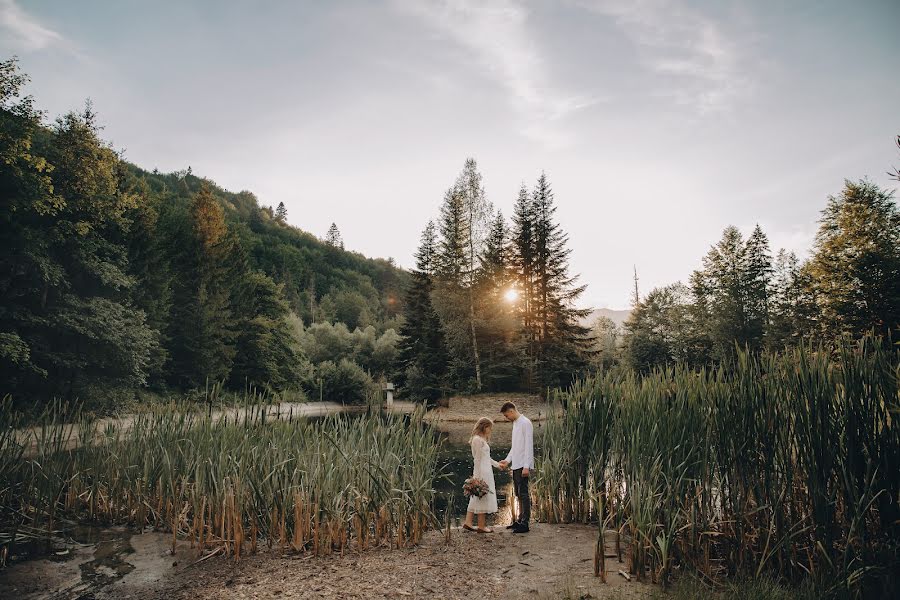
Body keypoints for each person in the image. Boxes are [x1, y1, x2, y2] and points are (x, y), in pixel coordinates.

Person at [498, 401, 533, 533]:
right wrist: (507, 460)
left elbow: (528, 446)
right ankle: (519, 520)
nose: (507, 418)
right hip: (516, 465)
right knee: (518, 494)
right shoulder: (516, 424)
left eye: (507, 415)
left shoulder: (526, 423)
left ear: (511, 411)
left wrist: (526, 466)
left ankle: (525, 524)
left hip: (523, 465)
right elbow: (515, 447)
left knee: (524, 494)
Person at [463, 417, 501, 533]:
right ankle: (481, 526)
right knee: (481, 496)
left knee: (476, 497)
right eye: (490, 428)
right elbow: (478, 459)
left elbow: (486, 458)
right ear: (484, 427)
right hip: (482, 472)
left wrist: (497, 464)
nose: (490, 430)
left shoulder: (481, 439)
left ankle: (468, 523)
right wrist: (478, 478)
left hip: (486, 470)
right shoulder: (477, 440)